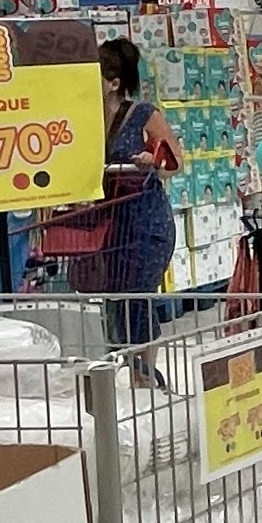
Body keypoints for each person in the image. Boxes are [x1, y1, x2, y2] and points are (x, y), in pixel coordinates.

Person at [90, 32, 180, 342]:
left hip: (147, 224)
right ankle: (128, 360)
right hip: (109, 225)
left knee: (138, 297)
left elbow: (176, 162)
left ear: (113, 83)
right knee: (117, 299)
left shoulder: (143, 114)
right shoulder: (87, 119)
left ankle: (143, 363)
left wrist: (152, 162)